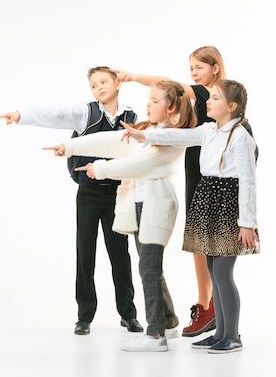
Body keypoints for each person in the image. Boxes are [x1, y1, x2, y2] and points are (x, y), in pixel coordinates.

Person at [44, 80, 197, 351]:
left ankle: (155, 335)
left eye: (154, 100)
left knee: (147, 270)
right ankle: (169, 322)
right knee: (152, 269)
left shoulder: (172, 136)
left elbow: (143, 164)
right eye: (148, 99)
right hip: (139, 207)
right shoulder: (147, 129)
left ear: (171, 106)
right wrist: (70, 147)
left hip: (155, 207)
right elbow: (113, 141)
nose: (147, 104)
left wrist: (101, 169)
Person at [0, 66, 143, 335]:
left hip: (118, 192)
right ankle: (84, 316)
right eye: (94, 85)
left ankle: (128, 314)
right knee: (85, 253)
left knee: (120, 255)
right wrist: (21, 116)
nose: (99, 88)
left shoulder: (131, 115)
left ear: (117, 84)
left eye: (103, 82)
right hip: (88, 193)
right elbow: (56, 115)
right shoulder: (87, 112)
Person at [121, 79, 259, 354]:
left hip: (227, 203)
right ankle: (219, 332)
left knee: (222, 271)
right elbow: (179, 137)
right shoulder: (209, 130)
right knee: (211, 269)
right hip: (207, 197)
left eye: (216, 98)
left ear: (232, 106)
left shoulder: (241, 136)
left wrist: (247, 223)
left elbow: (248, 181)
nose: (208, 101)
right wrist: (144, 136)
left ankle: (232, 335)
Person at [111, 46, 229, 337]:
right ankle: (208, 304)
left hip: (206, 172)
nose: (193, 72)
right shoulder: (211, 95)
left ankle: (208, 305)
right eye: (190, 67)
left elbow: (169, 85)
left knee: (203, 241)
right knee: (198, 240)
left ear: (215, 68)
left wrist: (134, 76)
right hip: (196, 167)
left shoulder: (209, 93)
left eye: (198, 67)